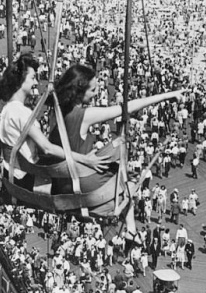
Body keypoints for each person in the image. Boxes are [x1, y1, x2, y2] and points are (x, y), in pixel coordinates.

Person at [49, 63, 184, 226]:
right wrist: (167, 95)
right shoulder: (83, 115)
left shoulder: (56, 111)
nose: (96, 93)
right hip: (80, 182)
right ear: (78, 93)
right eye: (92, 90)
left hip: (62, 180)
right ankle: (131, 229)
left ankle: (131, 229)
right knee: (128, 173)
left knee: (118, 160)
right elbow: (126, 108)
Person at [0, 54, 109, 193]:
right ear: (20, 82)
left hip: (19, 172)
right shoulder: (19, 112)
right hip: (26, 178)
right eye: (32, 78)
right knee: (86, 178)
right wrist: (84, 159)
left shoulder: (8, 109)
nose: (36, 82)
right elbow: (47, 148)